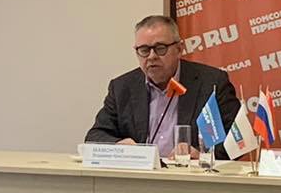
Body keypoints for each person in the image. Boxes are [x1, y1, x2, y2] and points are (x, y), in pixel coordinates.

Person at [85, 14, 239, 153]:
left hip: (189, 173)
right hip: (141, 173)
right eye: (144, 50)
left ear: (179, 49)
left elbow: (236, 140)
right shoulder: (122, 87)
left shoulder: (211, 83)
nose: (151, 56)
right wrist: (119, 145)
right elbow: (95, 136)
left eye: (160, 48)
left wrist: (201, 155)